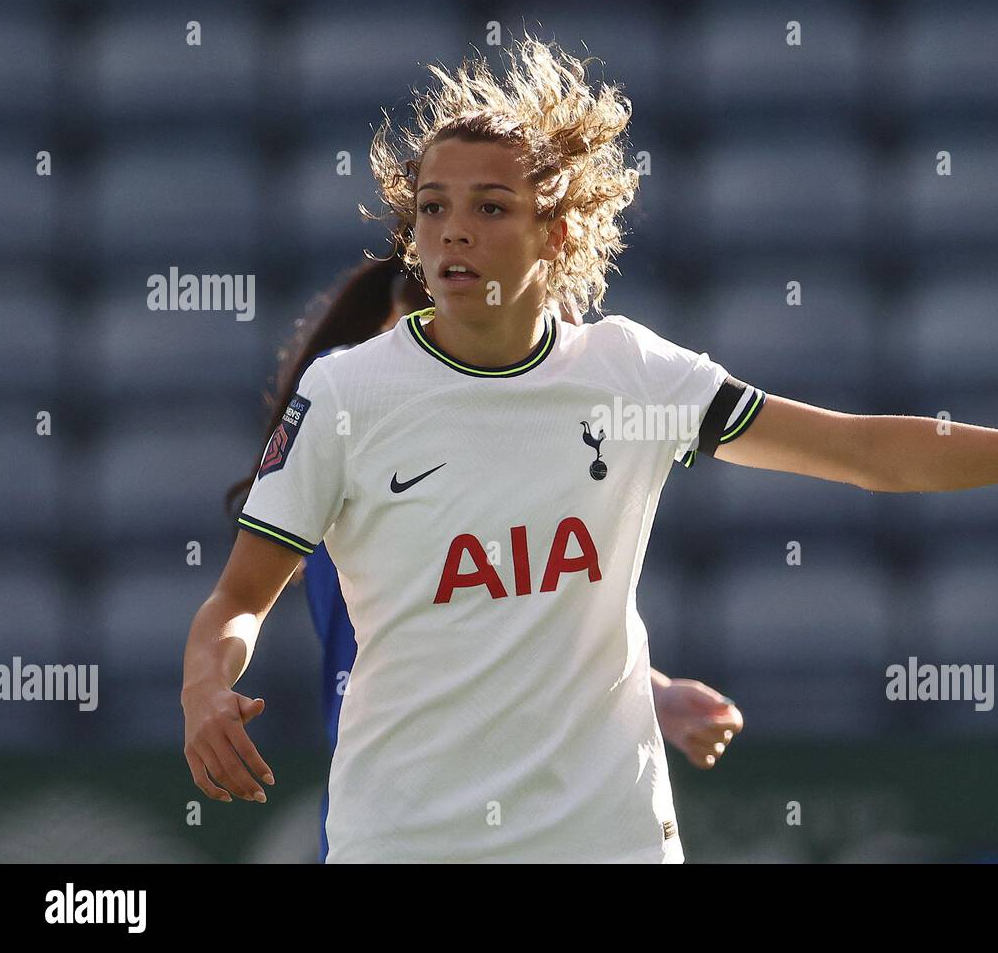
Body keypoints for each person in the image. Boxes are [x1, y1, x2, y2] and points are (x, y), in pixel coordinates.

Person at [182, 34, 998, 863]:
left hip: (608, 843)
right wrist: (206, 687)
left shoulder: (631, 375)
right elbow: (237, 600)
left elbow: (866, 452)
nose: (451, 232)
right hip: (406, 842)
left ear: (556, 237)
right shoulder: (352, 391)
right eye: (433, 209)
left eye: (489, 207)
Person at [223, 257, 745, 862]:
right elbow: (462, 644)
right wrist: (206, 683)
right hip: (414, 824)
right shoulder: (361, 483)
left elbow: (516, 632)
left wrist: (650, 692)